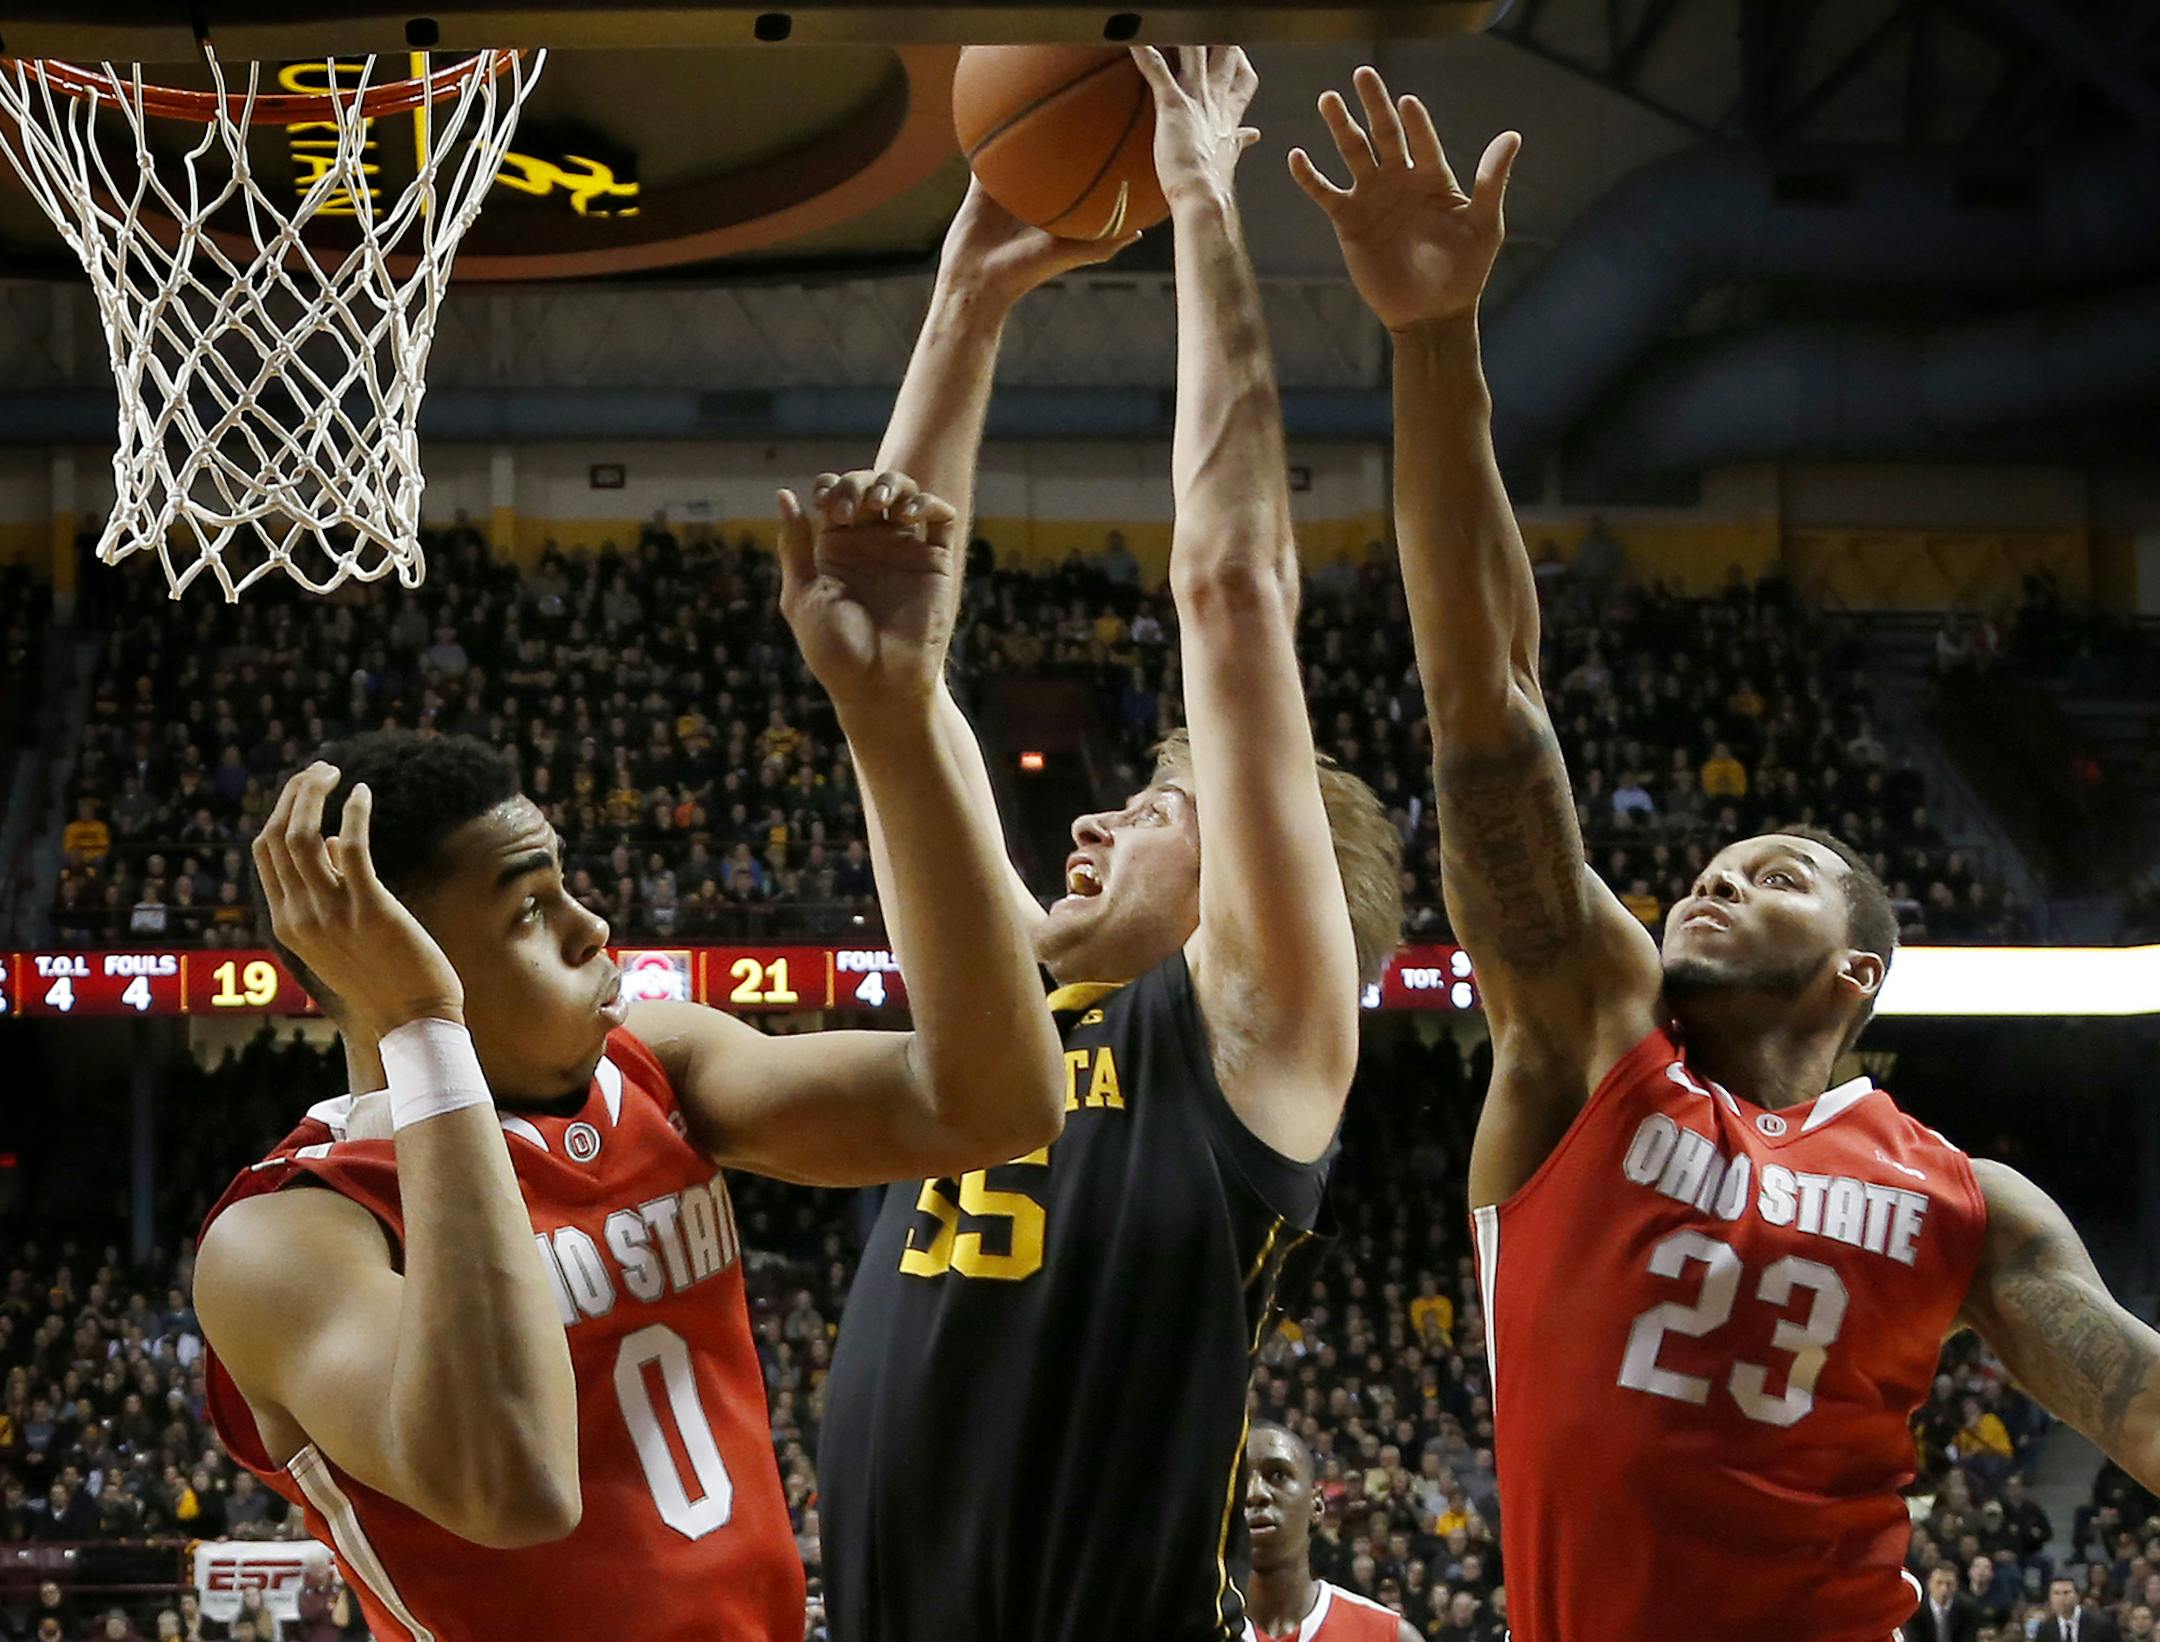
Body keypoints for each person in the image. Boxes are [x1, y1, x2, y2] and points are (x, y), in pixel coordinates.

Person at [1298, 61, 2160, 1642]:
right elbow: (1487, 704)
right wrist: (1432, 341)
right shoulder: (1582, 1050)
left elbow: (2142, 1407)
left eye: (1777, 871)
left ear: (1857, 968)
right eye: (1716, 858)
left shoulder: (1974, 1204)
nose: (1715, 872)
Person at [191, 475, 1065, 1641]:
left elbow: (994, 1103)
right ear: (392, 962)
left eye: (569, 886)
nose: (595, 927)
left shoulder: (660, 1065)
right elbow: (512, 1484)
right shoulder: (289, 1236)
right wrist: (421, 1031)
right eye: (527, 911)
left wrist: (893, 714)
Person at [819, 46, 1403, 1642]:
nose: (1087, 816)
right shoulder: (1003, 997)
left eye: (1156, 811)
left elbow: (1228, 590)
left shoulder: (1252, 1037)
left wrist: (1209, 191)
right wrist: (967, 296)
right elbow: (890, 658)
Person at [1241, 1423, 1422, 1642]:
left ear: (1317, 1504)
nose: (1255, 1493)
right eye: (1240, 1481)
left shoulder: (1389, 1636)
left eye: (1278, 1475)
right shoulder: (1196, 1630)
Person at [1909, 1562, 1983, 1642]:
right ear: (1929, 1584)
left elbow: (1969, 1638)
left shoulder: (1968, 1608)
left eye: (1949, 1584)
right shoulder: (1916, 1609)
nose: (1944, 1589)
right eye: (1939, 1583)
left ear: (1956, 1585)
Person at [2038, 1577, 2123, 1642]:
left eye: (2066, 1592)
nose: (2062, 1598)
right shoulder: (2045, 1629)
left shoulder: (2101, 1625)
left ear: (2078, 1597)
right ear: (2050, 1598)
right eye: (2056, 1593)